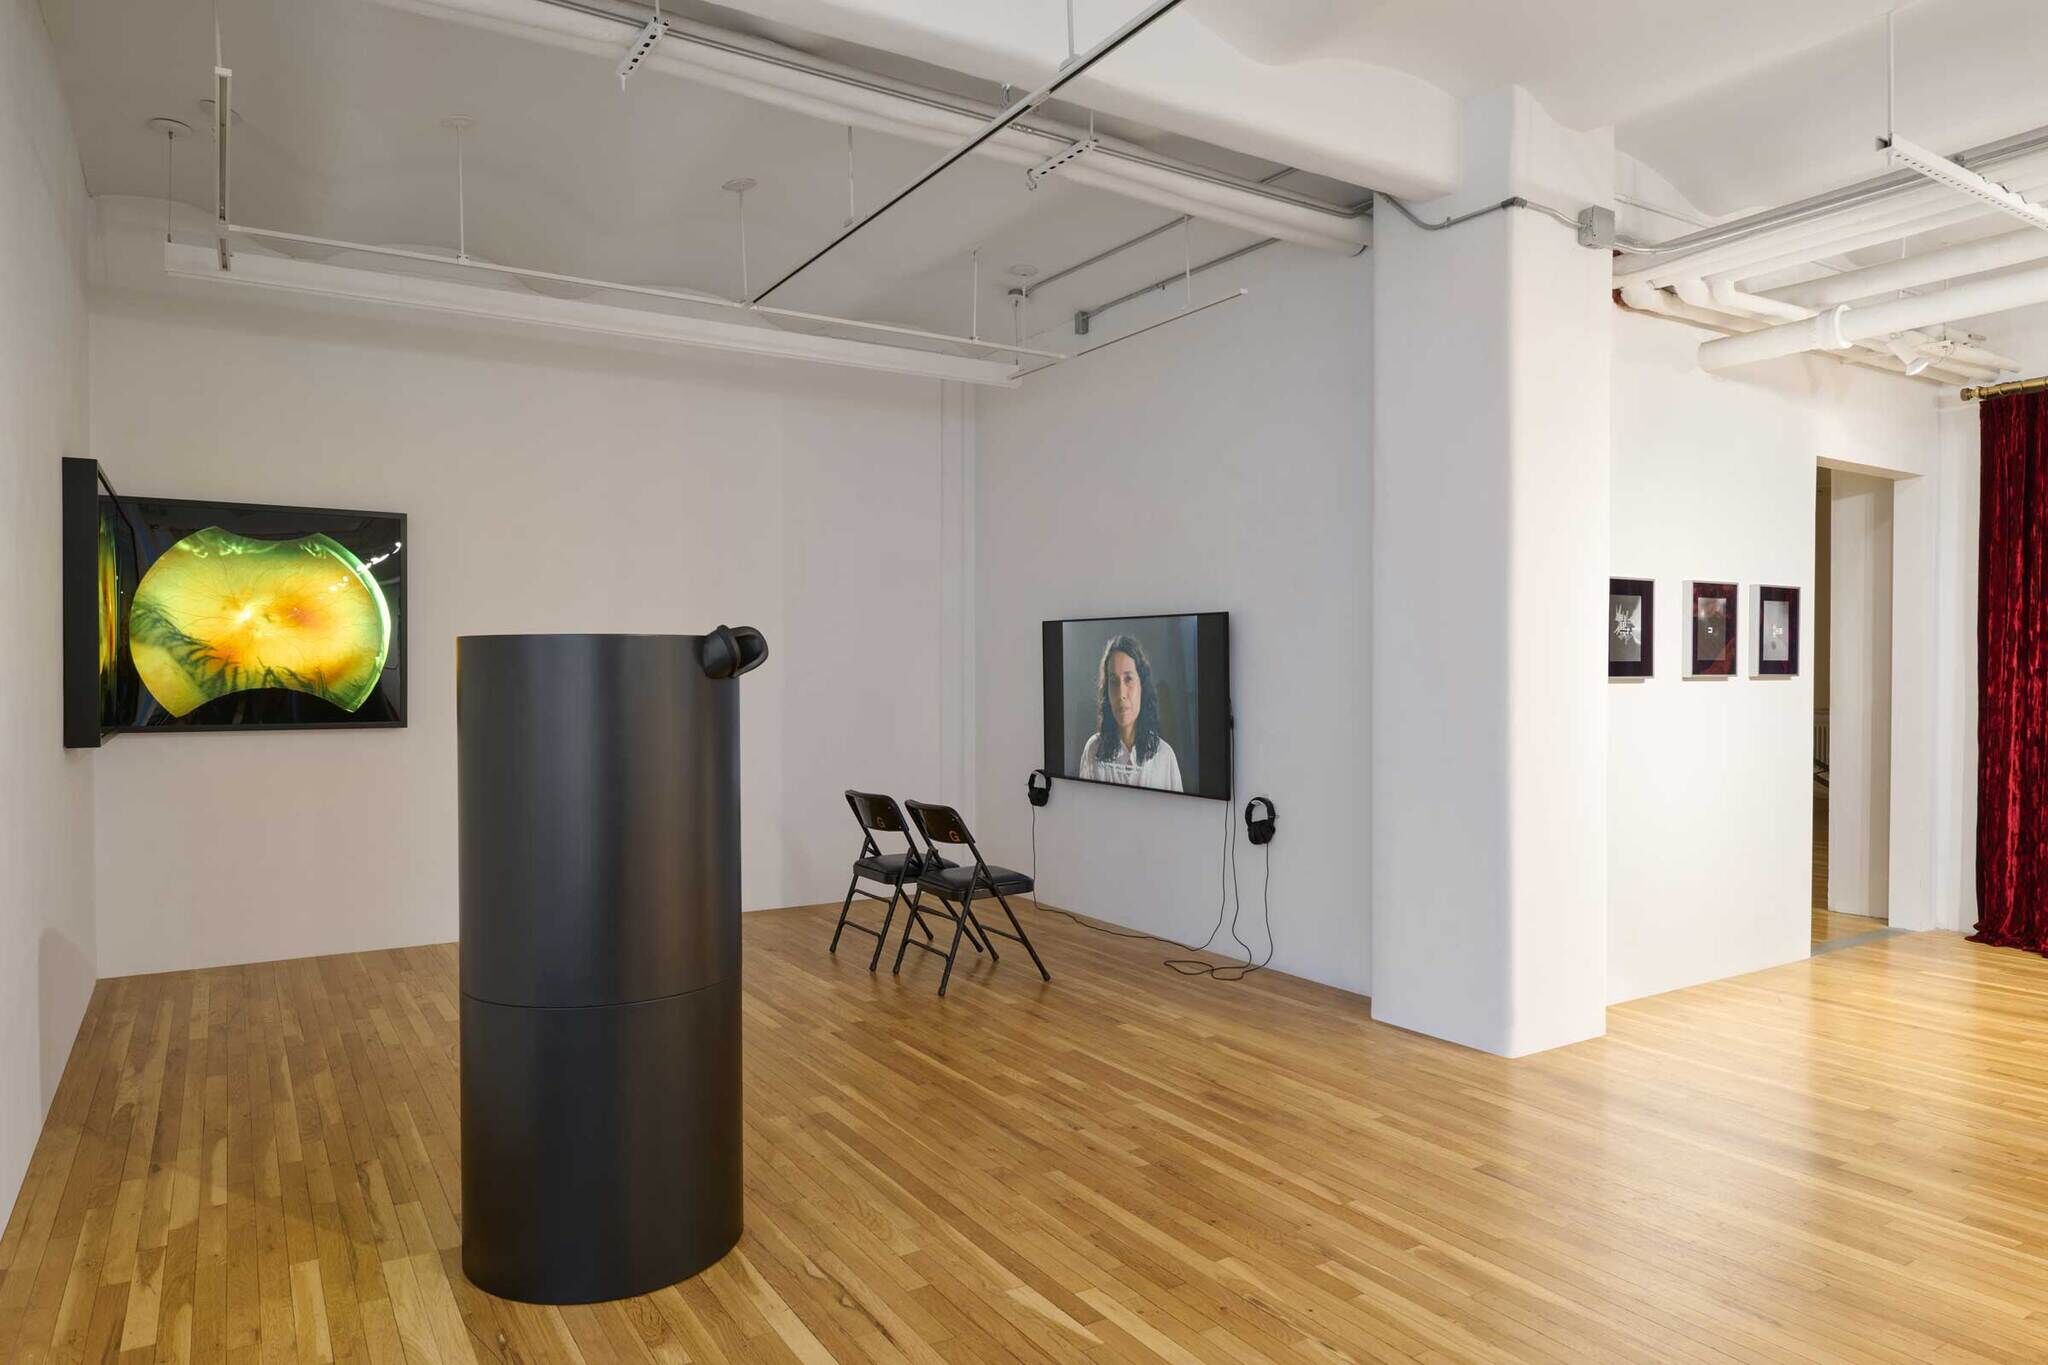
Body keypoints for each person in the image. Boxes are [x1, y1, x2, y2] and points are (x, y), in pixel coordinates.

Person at [1077, 634, 1184, 792]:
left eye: (1128, 679)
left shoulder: (1165, 756)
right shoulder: (1093, 750)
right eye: (1114, 682)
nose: (1121, 693)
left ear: (1142, 685)